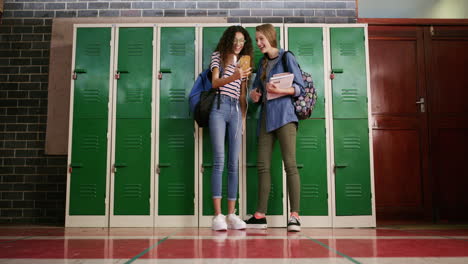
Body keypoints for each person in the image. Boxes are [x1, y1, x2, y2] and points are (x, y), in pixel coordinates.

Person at [246, 24, 305, 232]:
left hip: (285, 116)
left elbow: (300, 88)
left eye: (261, 39)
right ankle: (260, 216)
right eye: (257, 40)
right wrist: (254, 96)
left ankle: (295, 216)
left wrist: (281, 89)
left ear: (271, 37)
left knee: (290, 165)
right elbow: (257, 91)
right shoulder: (262, 63)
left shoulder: (286, 57)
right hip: (265, 118)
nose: (259, 43)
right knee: (262, 166)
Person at [209, 25, 253, 231]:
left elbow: (242, 93)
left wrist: (243, 118)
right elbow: (215, 83)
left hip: (236, 110)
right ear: (229, 40)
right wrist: (235, 75)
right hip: (219, 107)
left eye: (242, 41)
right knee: (219, 160)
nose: (238, 44)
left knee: (233, 163)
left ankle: (231, 214)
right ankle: (217, 216)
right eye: (235, 40)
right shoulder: (218, 56)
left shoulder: (244, 62)